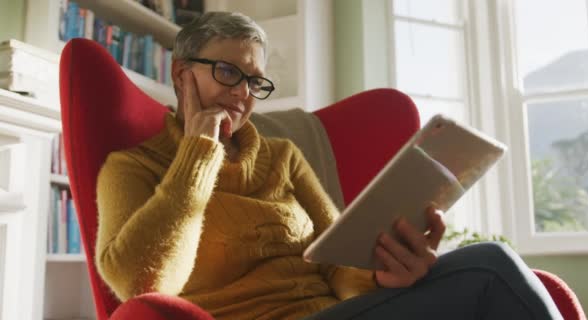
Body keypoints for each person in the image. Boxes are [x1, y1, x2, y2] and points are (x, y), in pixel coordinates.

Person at [95, 11, 563, 320]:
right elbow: (141, 284)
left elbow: (338, 261)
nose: (242, 93)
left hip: (336, 314)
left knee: (483, 277)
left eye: (254, 81)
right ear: (182, 74)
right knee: (491, 267)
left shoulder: (283, 157)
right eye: (228, 73)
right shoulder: (134, 167)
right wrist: (199, 153)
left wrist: (381, 278)